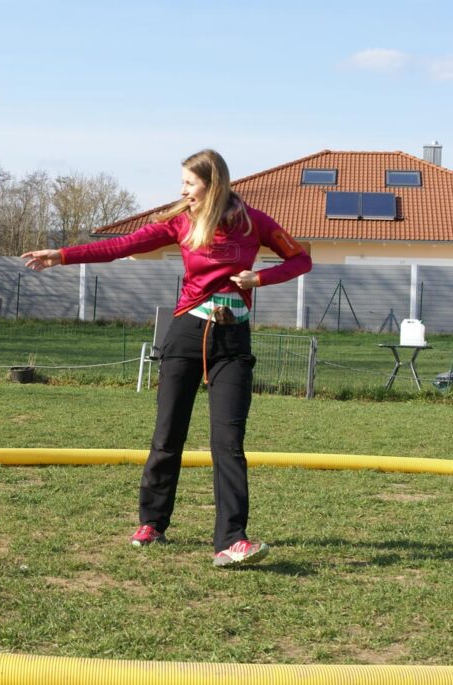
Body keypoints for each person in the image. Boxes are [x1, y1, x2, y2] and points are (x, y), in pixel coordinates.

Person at [22, 149, 312, 568]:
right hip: (187, 334)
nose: (183, 190)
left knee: (229, 443)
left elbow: (301, 259)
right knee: (167, 435)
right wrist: (63, 255)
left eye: (190, 183)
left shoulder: (254, 222)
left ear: (212, 184)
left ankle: (231, 542)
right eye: (183, 183)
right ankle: (152, 523)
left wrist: (259, 278)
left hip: (233, 341)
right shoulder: (181, 222)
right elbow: (122, 245)